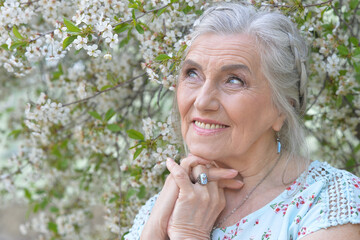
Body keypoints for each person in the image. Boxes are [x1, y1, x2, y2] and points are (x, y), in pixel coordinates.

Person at [124, 3, 360, 240]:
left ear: (282, 109)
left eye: (234, 80)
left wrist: (189, 234)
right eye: (192, 74)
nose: (203, 101)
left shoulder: (330, 202)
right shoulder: (161, 207)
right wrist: (155, 227)